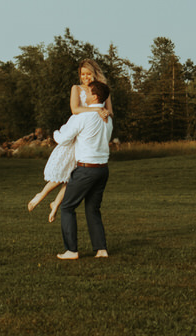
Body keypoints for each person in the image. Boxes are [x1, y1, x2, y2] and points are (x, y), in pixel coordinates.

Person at [27, 60, 113, 222]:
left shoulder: (102, 90)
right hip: (75, 131)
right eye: (82, 74)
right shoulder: (77, 89)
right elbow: (75, 109)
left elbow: (109, 112)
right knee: (63, 172)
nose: (85, 77)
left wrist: (105, 113)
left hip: (87, 138)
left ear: (94, 73)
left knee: (72, 176)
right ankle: (42, 194)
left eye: (88, 74)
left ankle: (56, 204)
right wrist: (96, 109)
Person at [53, 79, 112, 260]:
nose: (84, 95)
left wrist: (55, 132)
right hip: (102, 170)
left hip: (86, 169)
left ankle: (71, 250)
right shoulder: (107, 118)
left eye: (87, 93)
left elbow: (62, 138)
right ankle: (101, 249)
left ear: (94, 96)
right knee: (93, 209)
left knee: (67, 206)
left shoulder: (83, 117)